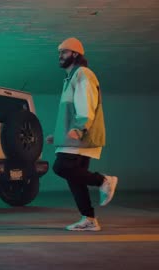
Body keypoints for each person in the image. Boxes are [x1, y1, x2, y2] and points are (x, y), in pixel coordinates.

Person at [47, 37, 118, 231]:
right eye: (59, 53)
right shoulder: (71, 78)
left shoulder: (83, 74)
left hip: (80, 135)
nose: (60, 56)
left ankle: (103, 181)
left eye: (64, 52)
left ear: (75, 54)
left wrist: (79, 128)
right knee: (75, 179)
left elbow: (86, 105)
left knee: (61, 167)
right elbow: (70, 111)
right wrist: (58, 135)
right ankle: (89, 219)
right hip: (73, 136)